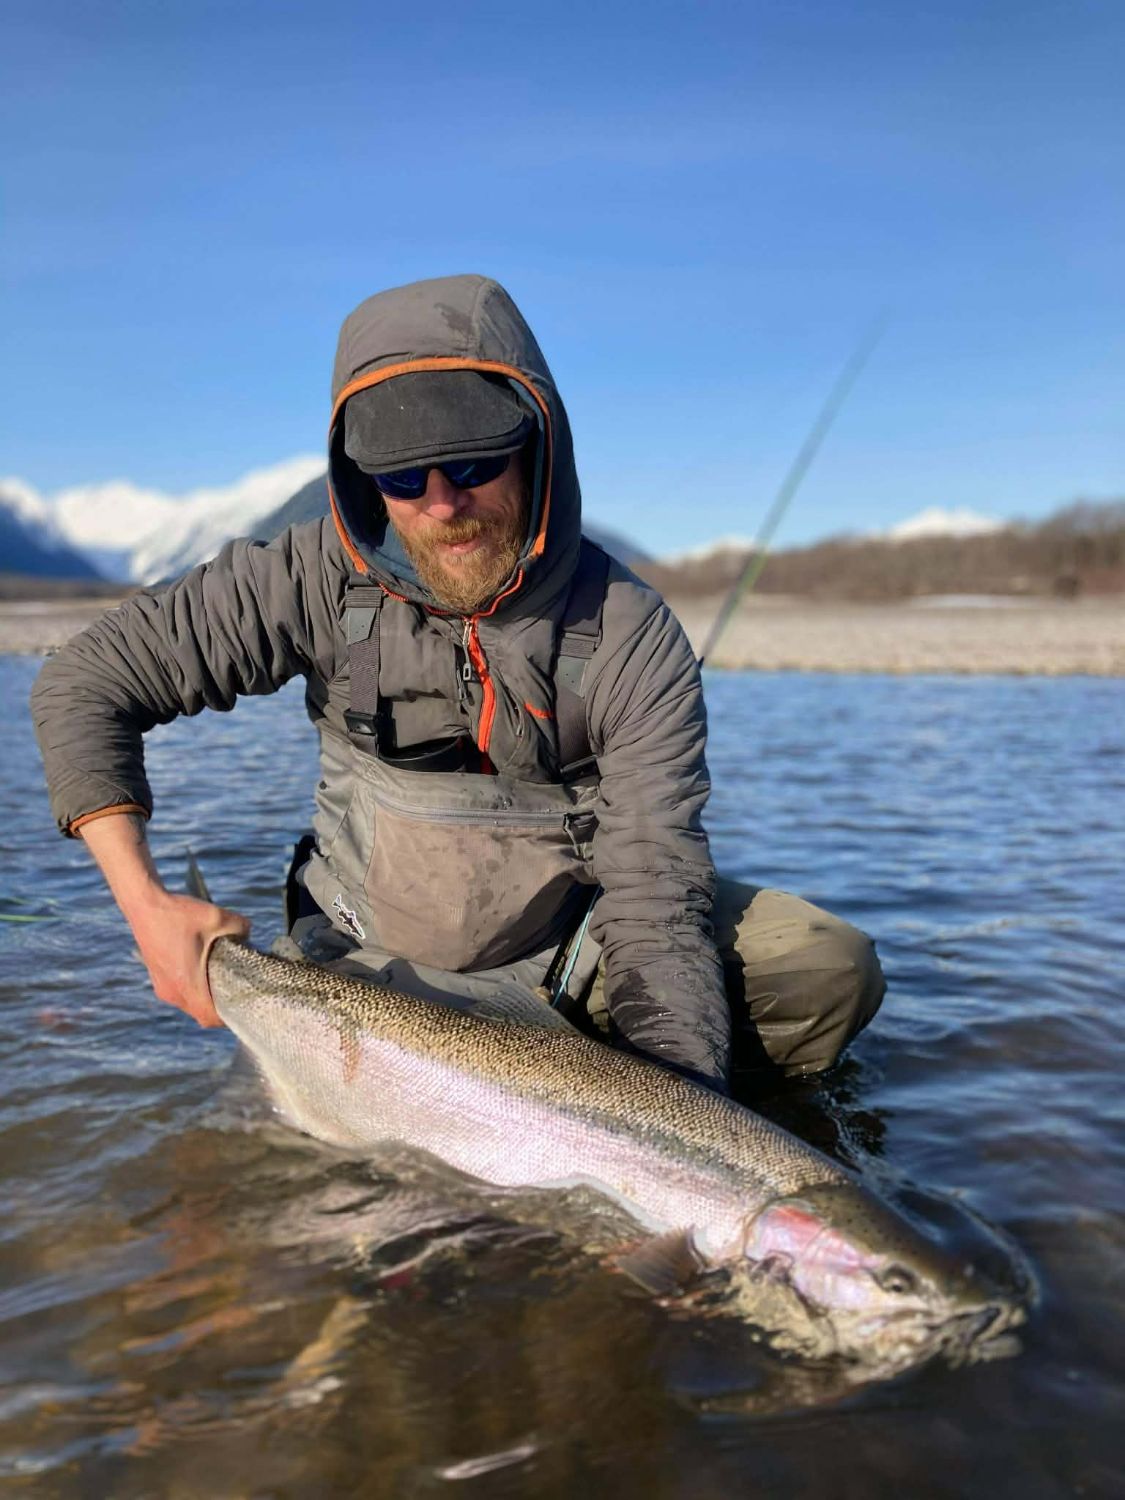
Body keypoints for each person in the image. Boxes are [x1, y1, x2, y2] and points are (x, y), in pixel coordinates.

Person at [32, 273, 884, 1094]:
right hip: (364, 961)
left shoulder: (629, 630)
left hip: (565, 950)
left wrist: (682, 1116)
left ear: (534, 447)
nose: (442, 505)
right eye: (403, 479)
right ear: (362, 482)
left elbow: (655, 898)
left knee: (823, 969)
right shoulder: (308, 577)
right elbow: (84, 683)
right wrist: (146, 907)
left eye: (473, 464)